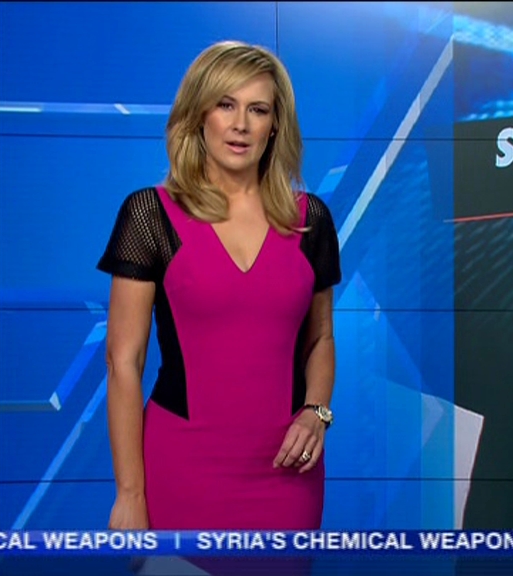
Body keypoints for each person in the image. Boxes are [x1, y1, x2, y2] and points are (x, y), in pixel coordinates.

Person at [98, 40, 341, 532]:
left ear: (275, 125)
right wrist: (129, 493)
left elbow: (320, 338)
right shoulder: (150, 214)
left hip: (287, 476)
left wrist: (316, 412)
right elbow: (124, 362)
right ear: (199, 115)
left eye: (258, 109)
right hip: (179, 470)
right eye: (225, 105)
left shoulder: (310, 220)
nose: (240, 124)